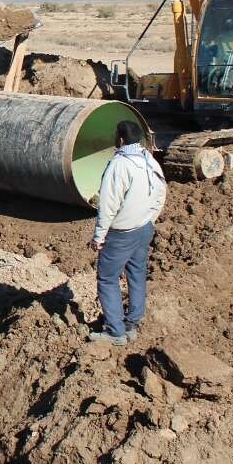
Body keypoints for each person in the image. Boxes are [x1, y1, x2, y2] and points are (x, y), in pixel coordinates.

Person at [88, 120, 166, 346]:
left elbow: (108, 205)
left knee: (107, 278)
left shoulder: (119, 165)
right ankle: (133, 321)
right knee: (137, 273)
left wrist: (99, 237)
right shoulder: (148, 159)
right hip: (144, 229)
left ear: (120, 140)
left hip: (122, 234)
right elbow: (161, 190)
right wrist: (151, 218)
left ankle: (115, 332)